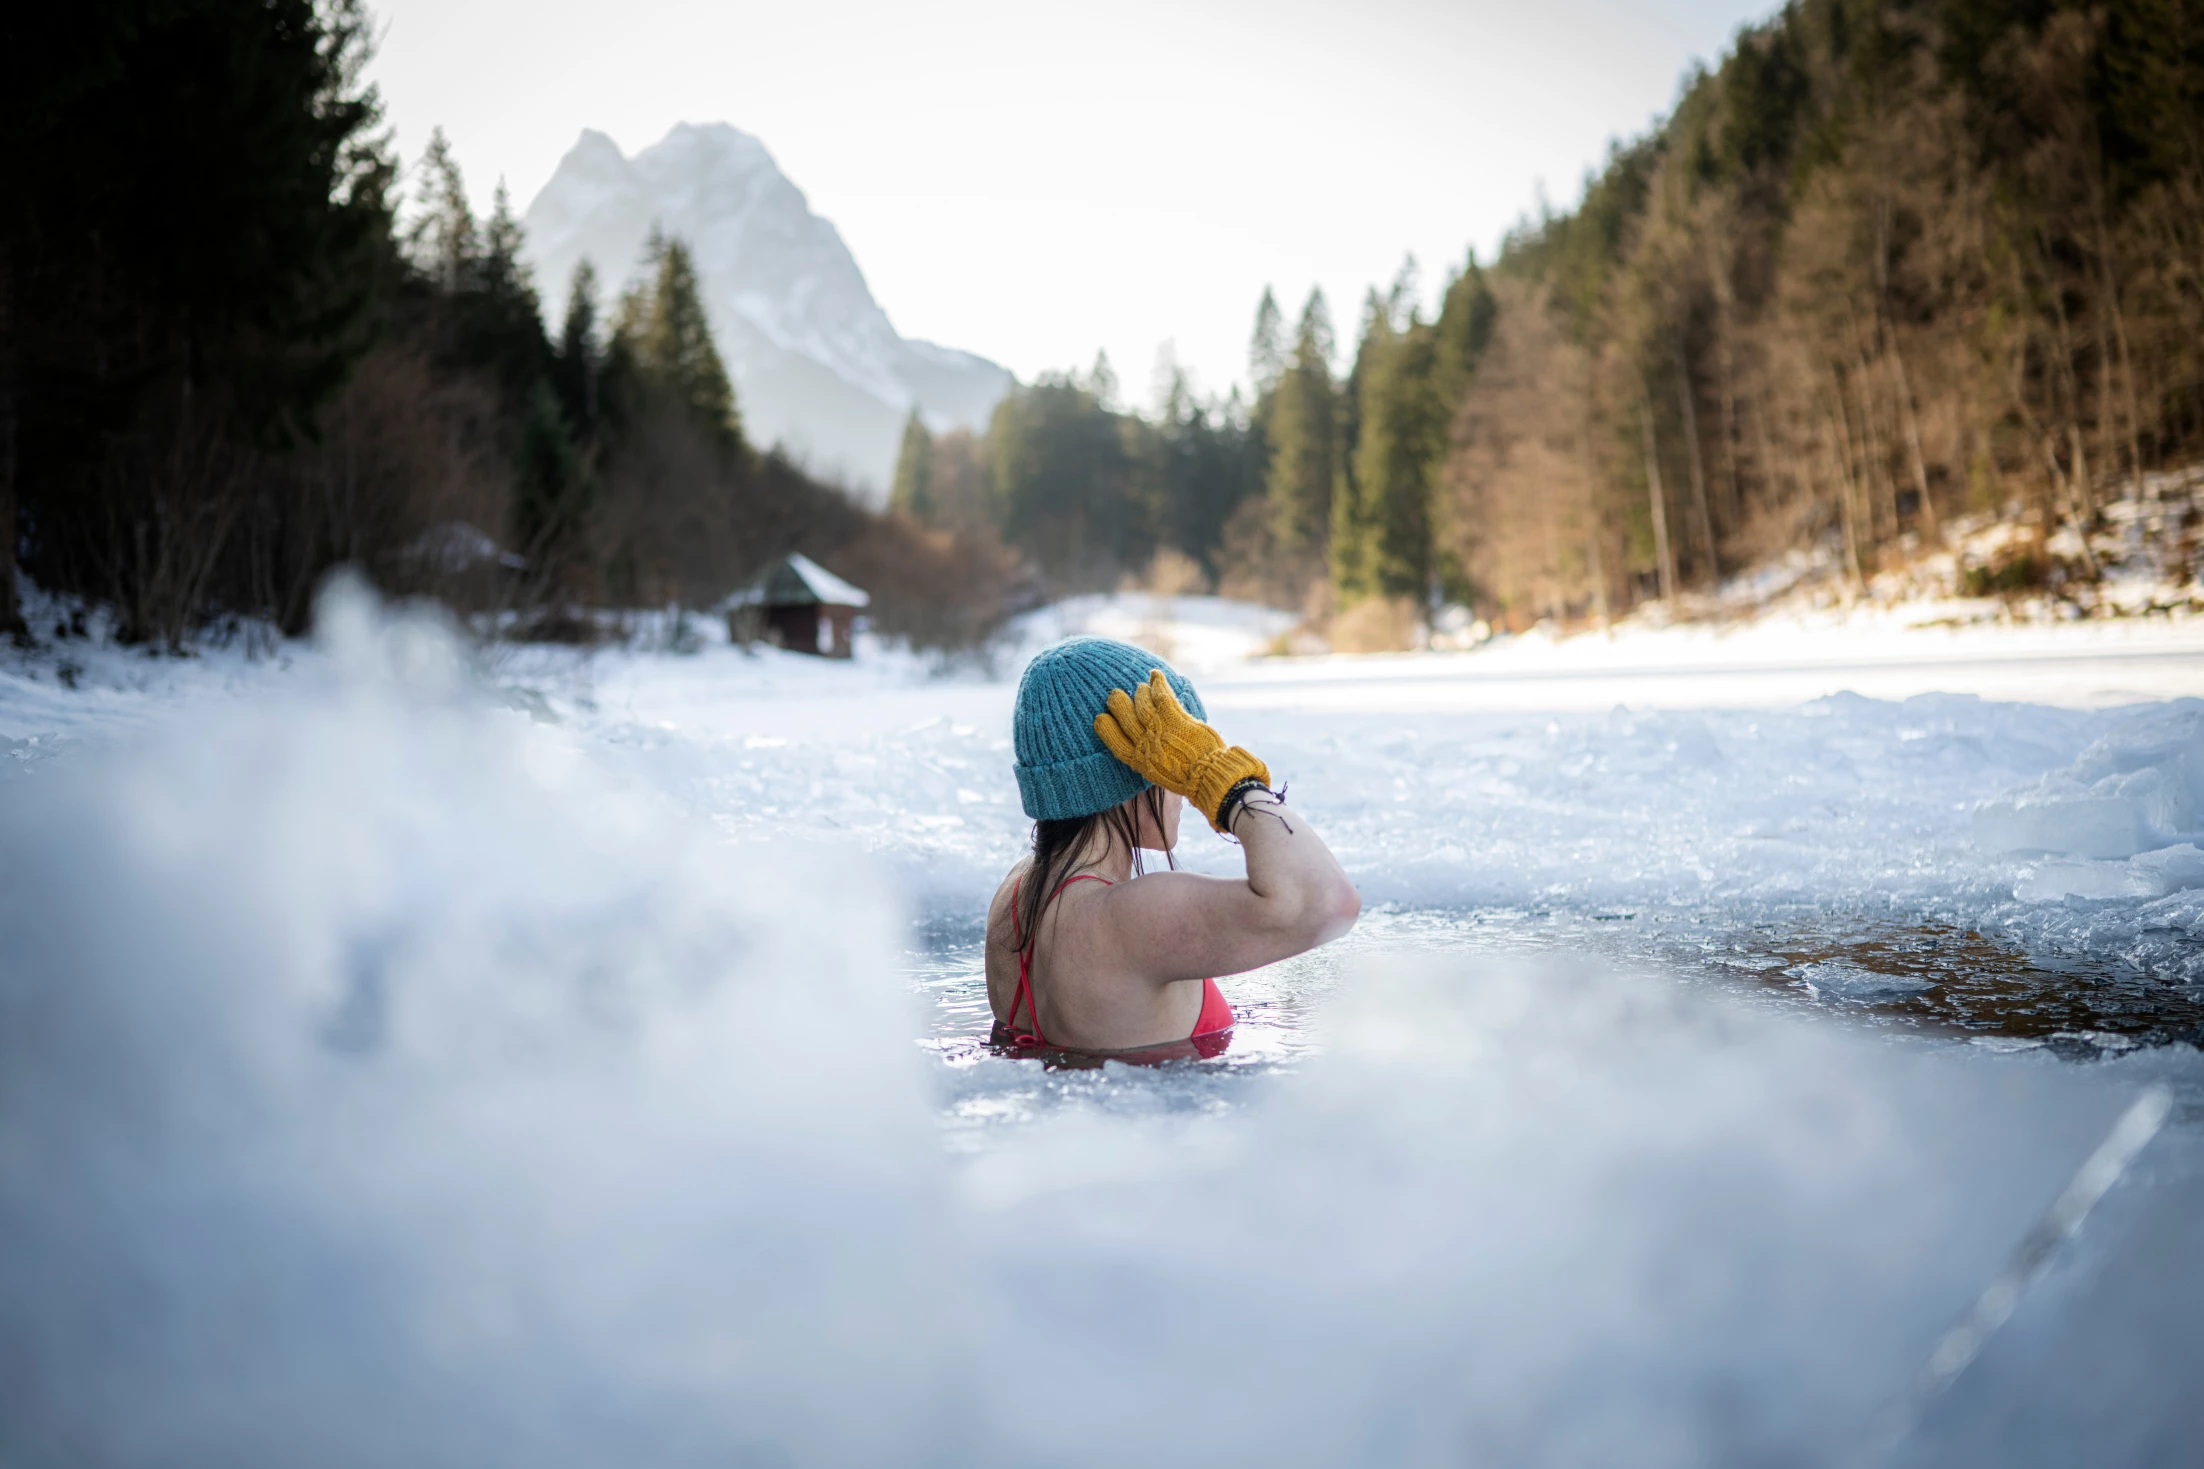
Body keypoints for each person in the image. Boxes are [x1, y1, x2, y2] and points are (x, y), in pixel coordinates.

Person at [988, 636, 1361, 1058]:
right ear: (1133, 770)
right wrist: (1223, 780)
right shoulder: (1128, 917)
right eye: (1172, 761)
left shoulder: (1015, 895)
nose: (1181, 789)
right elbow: (1328, 902)